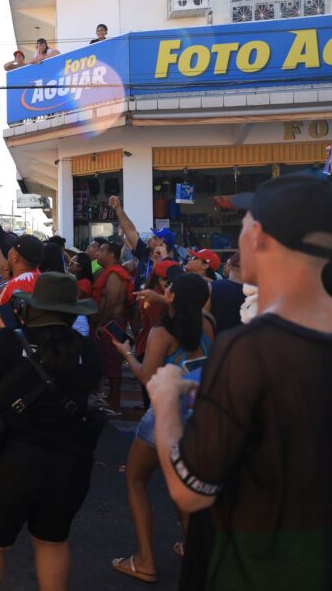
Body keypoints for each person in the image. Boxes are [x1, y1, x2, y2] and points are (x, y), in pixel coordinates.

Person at [148, 174, 332, 590]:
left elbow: (190, 492)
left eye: (245, 221)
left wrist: (165, 401)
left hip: (250, 567)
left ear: (261, 237)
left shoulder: (250, 349)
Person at [0, 273, 102, 591]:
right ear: (73, 313)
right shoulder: (87, 350)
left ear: (32, 308)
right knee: (52, 543)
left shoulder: (4, 342)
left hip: (8, 461)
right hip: (69, 463)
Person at [108, 272, 214, 584]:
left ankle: (145, 560)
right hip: (198, 418)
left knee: (136, 481)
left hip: (163, 420)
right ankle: (196, 552)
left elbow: (146, 376)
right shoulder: (209, 321)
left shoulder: (161, 333)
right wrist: (162, 299)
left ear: (172, 298)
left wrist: (126, 352)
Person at [91, 241, 133, 411]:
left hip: (111, 324)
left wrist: (102, 323)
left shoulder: (115, 274)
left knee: (113, 363)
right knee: (107, 362)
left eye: (102, 250)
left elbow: (112, 302)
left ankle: (115, 402)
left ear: (112, 256)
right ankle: (110, 399)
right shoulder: (108, 272)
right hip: (108, 323)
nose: (98, 254)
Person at [110, 195, 176, 289]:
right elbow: (130, 231)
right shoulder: (144, 252)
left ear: (160, 244)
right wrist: (118, 208)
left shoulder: (171, 266)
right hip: (139, 302)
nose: (149, 239)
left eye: (154, 237)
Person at [209, 251, 246, 333]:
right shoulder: (262, 292)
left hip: (219, 342)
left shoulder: (211, 287)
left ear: (230, 264)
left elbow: (204, 319)